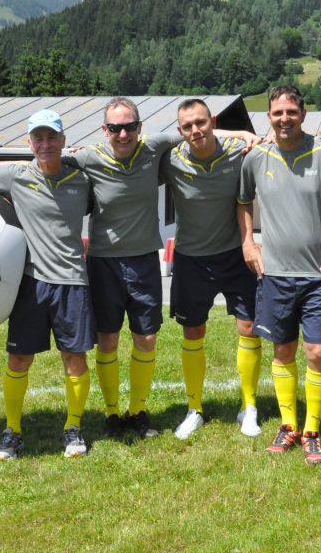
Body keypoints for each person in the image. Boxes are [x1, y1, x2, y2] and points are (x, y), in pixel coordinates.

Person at [64, 97, 262, 439]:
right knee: (111, 339)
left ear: (140, 127)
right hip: (118, 261)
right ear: (105, 129)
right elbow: (45, 161)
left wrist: (245, 134)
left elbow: (201, 134)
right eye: (115, 127)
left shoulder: (158, 148)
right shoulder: (94, 157)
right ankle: (119, 413)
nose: (123, 133)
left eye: (129, 126)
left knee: (152, 337)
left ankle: (146, 410)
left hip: (165, 259)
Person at [0, 110, 95, 459]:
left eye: (51, 137)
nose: (45, 143)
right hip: (30, 283)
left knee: (74, 357)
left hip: (72, 282)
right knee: (19, 358)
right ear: (29, 142)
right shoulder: (16, 176)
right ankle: (12, 430)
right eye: (38, 138)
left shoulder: (83, 180)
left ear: (63, 140)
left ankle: (73, 428)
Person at [238, 85, 321, 464]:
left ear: (303, 115)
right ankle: (289, 425)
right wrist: (248, 243)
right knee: (283, 350)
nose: (285, 119)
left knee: (317, 351)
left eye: (291, 112)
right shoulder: (255, 158)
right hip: (274, 274)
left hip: (319, 275)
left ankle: (312, 431)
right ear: (268, 117)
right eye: (278, 113)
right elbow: (242, 201)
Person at [158, 98, 263, 440]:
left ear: (212, 121)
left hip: (235, 255)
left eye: (201, 122)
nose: (195, 130)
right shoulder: (171, 160)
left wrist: (246, 135)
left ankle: (249, 406)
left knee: (249, 329)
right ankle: (194, 409)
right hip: (191, 259)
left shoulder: (239, 152)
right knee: (192, 332)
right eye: (187, 126)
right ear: (180, 131)